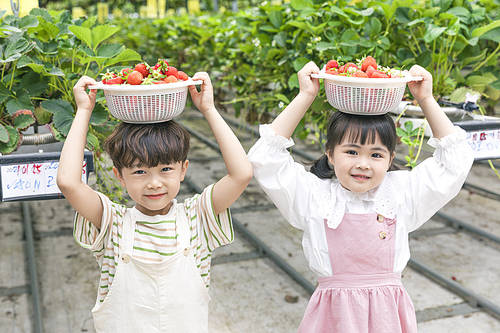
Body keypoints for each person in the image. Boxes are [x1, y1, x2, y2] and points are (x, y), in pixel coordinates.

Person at [248, 61, 474, 332]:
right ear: (330, 154)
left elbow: (456, 162)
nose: (363, 164)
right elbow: (264, 159)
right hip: (334, 320)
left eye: (376, 155)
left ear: (390, 159)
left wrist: (426, 99)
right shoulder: (316, 198)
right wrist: (305, 95)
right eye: (352, 152)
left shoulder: (400, 196)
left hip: (387, 320)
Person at [57, 72, 253, 333]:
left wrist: (209, 109)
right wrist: (83, 110)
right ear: (119, 176)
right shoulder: (112, 223)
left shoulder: (198, 217)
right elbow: (69, 183)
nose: (154, 183)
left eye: (166, 170)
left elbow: (242, 174)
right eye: (139, 172)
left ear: (183, 170)